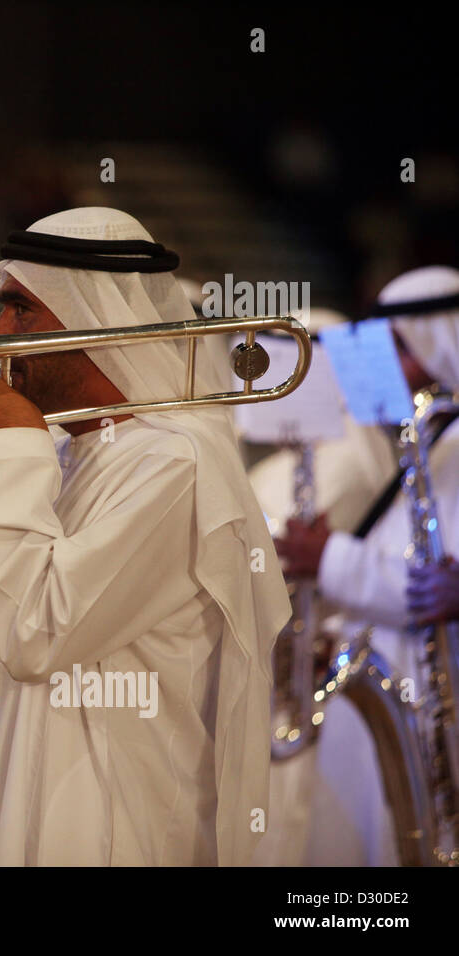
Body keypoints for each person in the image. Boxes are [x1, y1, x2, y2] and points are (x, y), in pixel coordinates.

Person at [0, 207, 290, 866]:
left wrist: (8, 450)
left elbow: (38, 633)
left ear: (93, 315)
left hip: (110, 830)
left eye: (19, 309)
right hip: (5, 807)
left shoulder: (178, 464)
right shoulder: (61, 456)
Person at [274, 264, 459, 865]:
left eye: (402, 347)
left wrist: (326, 557)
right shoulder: (435, 442)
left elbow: (433, 586)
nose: (389, 369)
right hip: (386, 705)